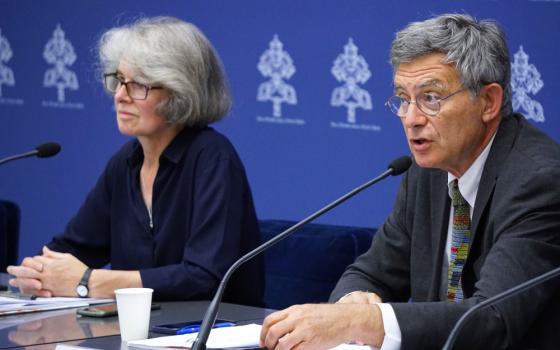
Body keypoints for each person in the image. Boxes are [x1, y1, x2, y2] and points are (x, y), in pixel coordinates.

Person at [260, 13, 560, 350]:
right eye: (403, 99)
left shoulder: (540, 181)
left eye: (431, 98)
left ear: (488, 102)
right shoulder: (427, 171)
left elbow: (491, 320)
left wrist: (364, 321)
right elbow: (373, 273)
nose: (411, 119)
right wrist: (352, 303)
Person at [7, 16, 262, 304]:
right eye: (118, 80)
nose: (119, 96)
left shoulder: (213, 158)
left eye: (138, 84)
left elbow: (203, 277)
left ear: (180, 92)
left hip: (213, 334)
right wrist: (40, 273)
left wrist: (88, 281)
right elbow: (72, 250)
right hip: (137, 332)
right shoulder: (127, 162)